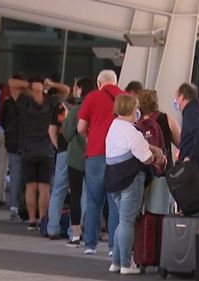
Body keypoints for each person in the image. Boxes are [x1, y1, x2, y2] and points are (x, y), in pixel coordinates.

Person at [105, 94, 165, 275]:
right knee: (127, 222)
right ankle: (125, 264)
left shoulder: (114, 126)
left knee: (121, 222)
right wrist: (156, 155)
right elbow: (146, 158)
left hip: (113, 179)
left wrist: (148, 148)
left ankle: (115, 262)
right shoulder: (132, 131)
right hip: (131, 180)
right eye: (137, 107)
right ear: (132, 109)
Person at [77, 70, 123, 255]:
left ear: (98, 82)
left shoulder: (92, 97)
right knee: (114, 202)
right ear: (116, 82)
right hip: (118, 156)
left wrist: (91, 135)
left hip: (95, 152)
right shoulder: (125, 97)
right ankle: (113, 247)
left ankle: (90, 245)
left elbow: (80, 127)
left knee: (94, 201)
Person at [12, 77, 56, 231]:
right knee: (44, 188)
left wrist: (31, 85)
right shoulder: (50, 103)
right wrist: (50, 85)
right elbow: (66, 90)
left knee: (30, 186)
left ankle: (32, 220)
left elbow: (12, 83)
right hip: (46, 150)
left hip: (28, 149)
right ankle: (43, 219)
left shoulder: (24, 103)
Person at [62, 77, 96, 247]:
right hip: (95, 158)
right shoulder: (97, 107)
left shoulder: (76, 110)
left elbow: (67, 134)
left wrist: (68, 117)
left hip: (75, 159)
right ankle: (93, 234)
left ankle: (75, 235)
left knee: (75, 196)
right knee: (95, 198)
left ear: (81, 89)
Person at [45, 78, 73, 238]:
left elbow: (51, 130)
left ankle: (52, 228)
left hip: (63, 150)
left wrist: (58, 147)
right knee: (80, 193)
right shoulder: (85, 107)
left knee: (58, 190)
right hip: (83, 153)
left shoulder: (61, 107)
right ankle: (75, 230)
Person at [0, 74, 27, 218]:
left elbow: (3, 121)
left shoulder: (8, 103)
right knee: (22, 177)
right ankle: (18, 206)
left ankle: (15, 206)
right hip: (23, 143)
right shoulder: (28, 103)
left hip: (13, 142)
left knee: (16, 175)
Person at [137, 89, 181, 169]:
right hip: (164, 169)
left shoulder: (135, 122)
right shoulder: (166, 119)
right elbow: (181, 143)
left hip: (142, 171)